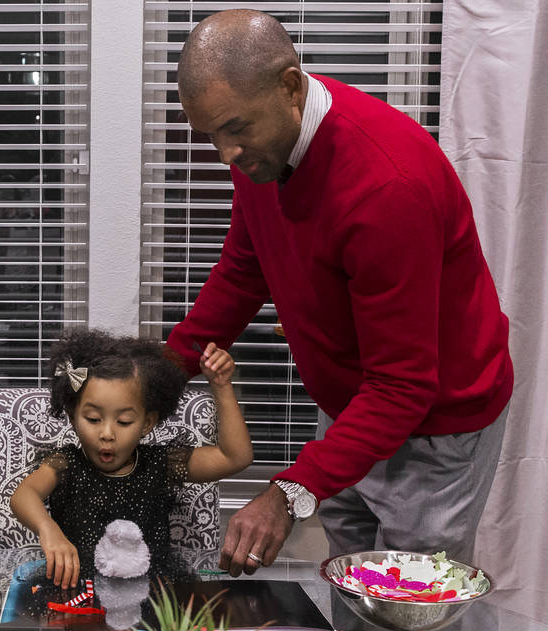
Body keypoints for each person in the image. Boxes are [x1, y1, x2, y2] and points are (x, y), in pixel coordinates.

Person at [165, 10, 513, 577]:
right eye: (211, 135)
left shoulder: (387, 187)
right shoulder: (262, 150)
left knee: (407, 617)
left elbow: (403, 385)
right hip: (356, 405)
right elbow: (245, 267)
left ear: (290, 87)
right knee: (351, 590)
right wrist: (162, 373)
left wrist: (288, 492)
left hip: (438, 427)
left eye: (234, 129)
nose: (225, 154)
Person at [11, 330, 253, 587]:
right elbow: (23, 495)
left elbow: (234, 457)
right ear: (72, 417)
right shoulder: (64, 464)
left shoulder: (162, 464)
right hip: (78, 598)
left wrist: (222, 386)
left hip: (150, 600)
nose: (107, 434)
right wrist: (48, 529)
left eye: (124, 421)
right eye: (93, 419)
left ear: (147, 423)